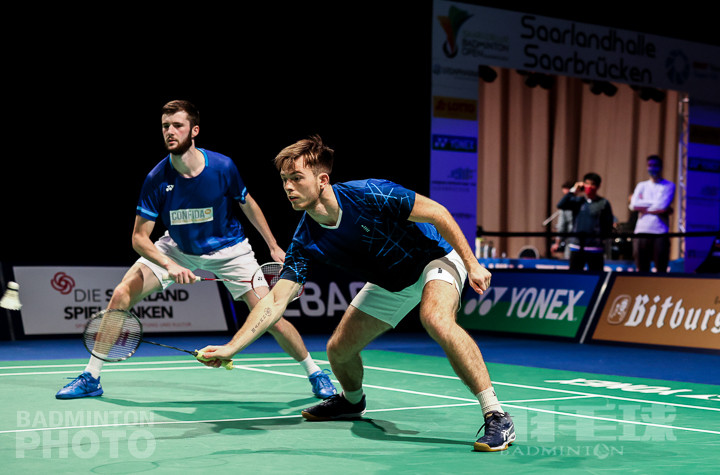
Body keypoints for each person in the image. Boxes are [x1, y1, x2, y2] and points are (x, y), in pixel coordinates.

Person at [198, 135, 516, 452]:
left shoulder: (369, 193)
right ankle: (352, 402)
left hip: (434, 258)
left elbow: (438, 213)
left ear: (322, 180)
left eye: (296, 178)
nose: (288, 187)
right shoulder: (305, 240)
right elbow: (275, 300)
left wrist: (472, 263)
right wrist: (232, 347)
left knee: (436, 318)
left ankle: (496, 414)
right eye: (284, 180)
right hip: (389, 281)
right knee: (338, 350)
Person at [56, 101, 336, 400]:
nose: (170, 131)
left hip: (230, 250)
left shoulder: (222, 167)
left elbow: (248, 204)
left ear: (194, 130)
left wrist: (273, 245)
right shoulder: (156, 179)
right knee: (121, 294)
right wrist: (169, 264)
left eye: (177, 125)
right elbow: (139, 238)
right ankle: (91, 376)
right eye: (165, 126)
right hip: (178, 248)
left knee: (270, 315)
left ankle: (315, 372)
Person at [557, 172, 613, 271]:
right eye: (587, 184)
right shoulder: (578, 201)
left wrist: (601, 239)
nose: (589, 187)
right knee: (574, 276)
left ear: (598, 186)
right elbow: (561, 205)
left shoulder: (603, 203)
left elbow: (608, 224)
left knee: (596, 276)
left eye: (592, 184)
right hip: (577, 246)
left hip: (595, 248)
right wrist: (573, 190)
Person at [629, 155, 675, 273]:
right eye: (650, 165)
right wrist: (655, 205)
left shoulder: (669, 185)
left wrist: (643, 206)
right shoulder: (641, 185)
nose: (652, 168)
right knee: (642, 268)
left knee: (661, 268)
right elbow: (634, 205)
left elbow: (662, 206)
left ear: (661, 167)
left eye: (655, 165)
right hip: (642, 231)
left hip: (660, 231)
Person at [550, 180, 575, 259]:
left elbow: (561, 226)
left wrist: (557, 243)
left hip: (572, 240)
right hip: (586, 241)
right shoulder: (584, 201)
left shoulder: (565, 205)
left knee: (571, 262)